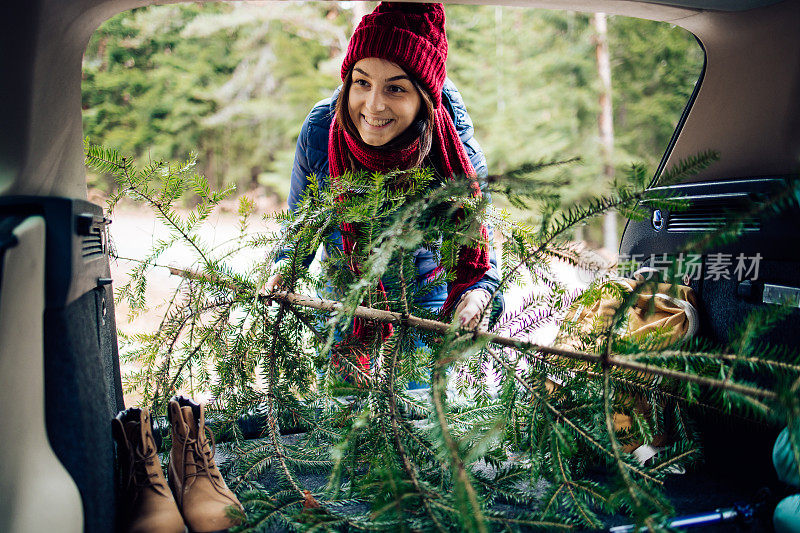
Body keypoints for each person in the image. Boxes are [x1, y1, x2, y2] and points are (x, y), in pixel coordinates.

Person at [264, 2, 502, 359]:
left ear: (423, 100)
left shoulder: (455, 154)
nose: (373, 105)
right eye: (362, 82)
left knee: (419, 413)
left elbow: (481, 264)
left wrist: (478, 298)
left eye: (395, 89)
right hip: (345, 305)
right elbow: (302, 225)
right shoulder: (320, 130)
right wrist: (285, 267)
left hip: (423, 315)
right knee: (339, 411)